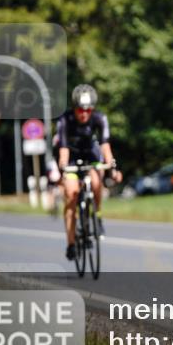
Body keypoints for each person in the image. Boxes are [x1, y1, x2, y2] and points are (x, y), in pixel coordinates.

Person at [56, 84, 122, 260]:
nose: (84, 114)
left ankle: (97, 215)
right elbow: (62, 148)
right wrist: (62, 165)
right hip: (71, 157)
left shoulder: (100, 118)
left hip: (91, 154)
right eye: (80, 110)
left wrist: (111, 165)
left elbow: (105, 144)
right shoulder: (65, 120)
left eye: (88, 110)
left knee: (95, 182)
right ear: (74, 108)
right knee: (71, 194)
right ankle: (71, 243)